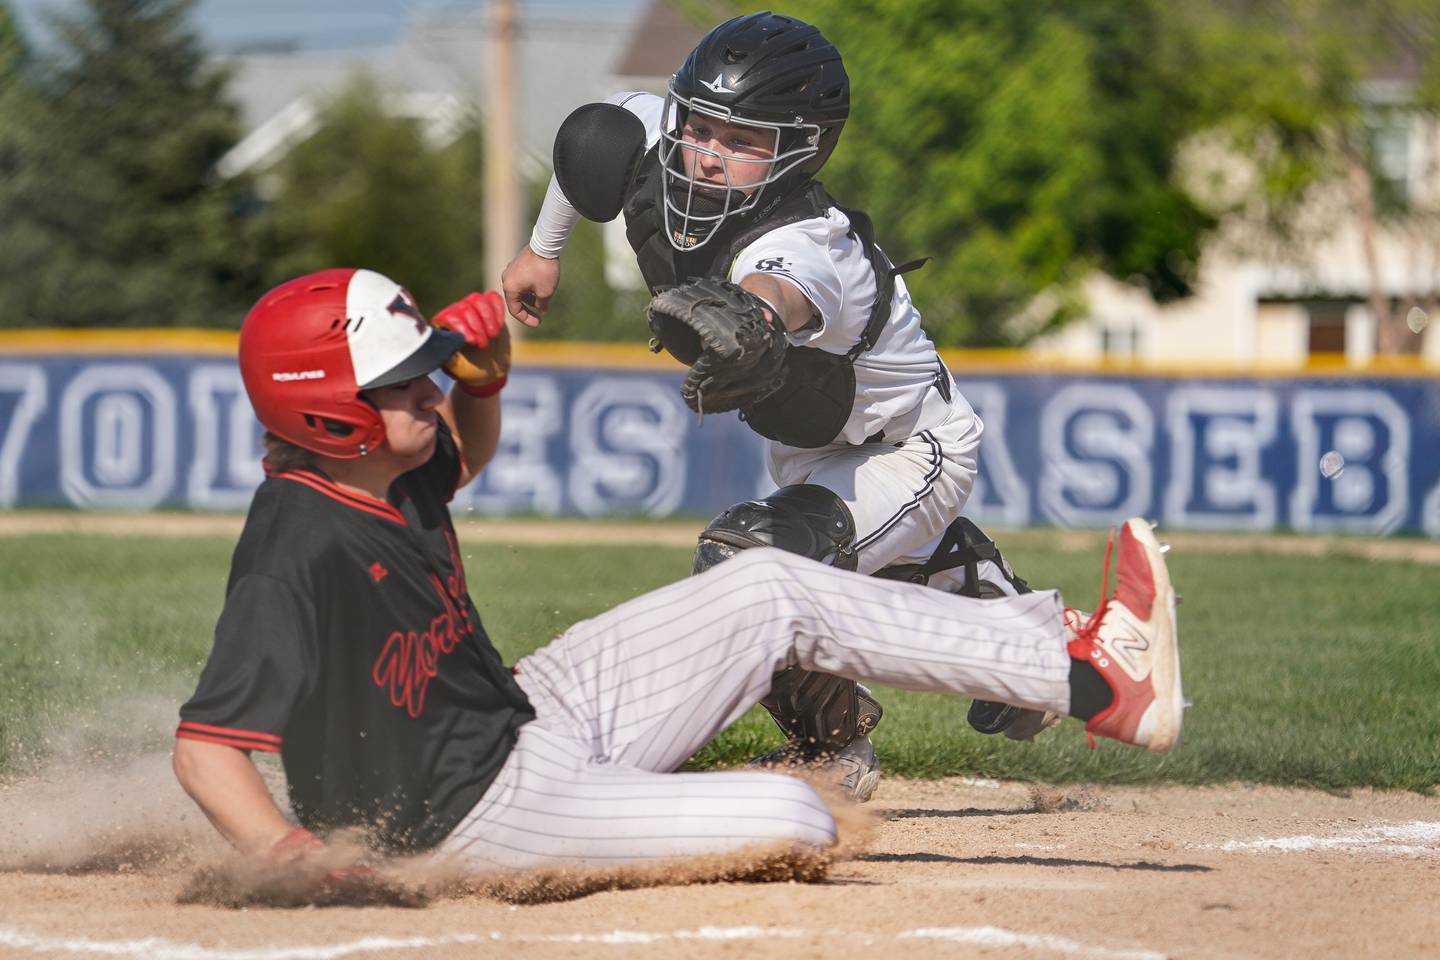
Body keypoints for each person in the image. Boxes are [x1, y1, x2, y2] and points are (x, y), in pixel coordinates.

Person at [172, 266, 1184, 877]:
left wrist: (483, 373)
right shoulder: (295, 546)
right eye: (407, 380)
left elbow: (466, 452)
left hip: (528, 714)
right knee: (795, 816)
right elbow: (208, 751)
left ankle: (1087, 675)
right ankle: (623, 809)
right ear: (326, 412)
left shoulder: (381, 470)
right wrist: (294, 862)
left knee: (771, 586)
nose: (433, 388)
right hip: (474, 822)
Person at [501, 11, 1045, 802]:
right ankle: (987, 597)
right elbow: (596, 139)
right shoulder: (654, 135)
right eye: (701, 127)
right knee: (803, 541)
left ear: (800, 151)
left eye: (744, 141)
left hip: (906, 449)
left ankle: (837, 757)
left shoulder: (810, 242)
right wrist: (542, 251)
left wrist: (749, 320)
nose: (710, 155)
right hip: (812, 446)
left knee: (748, 565)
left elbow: (779, 295)